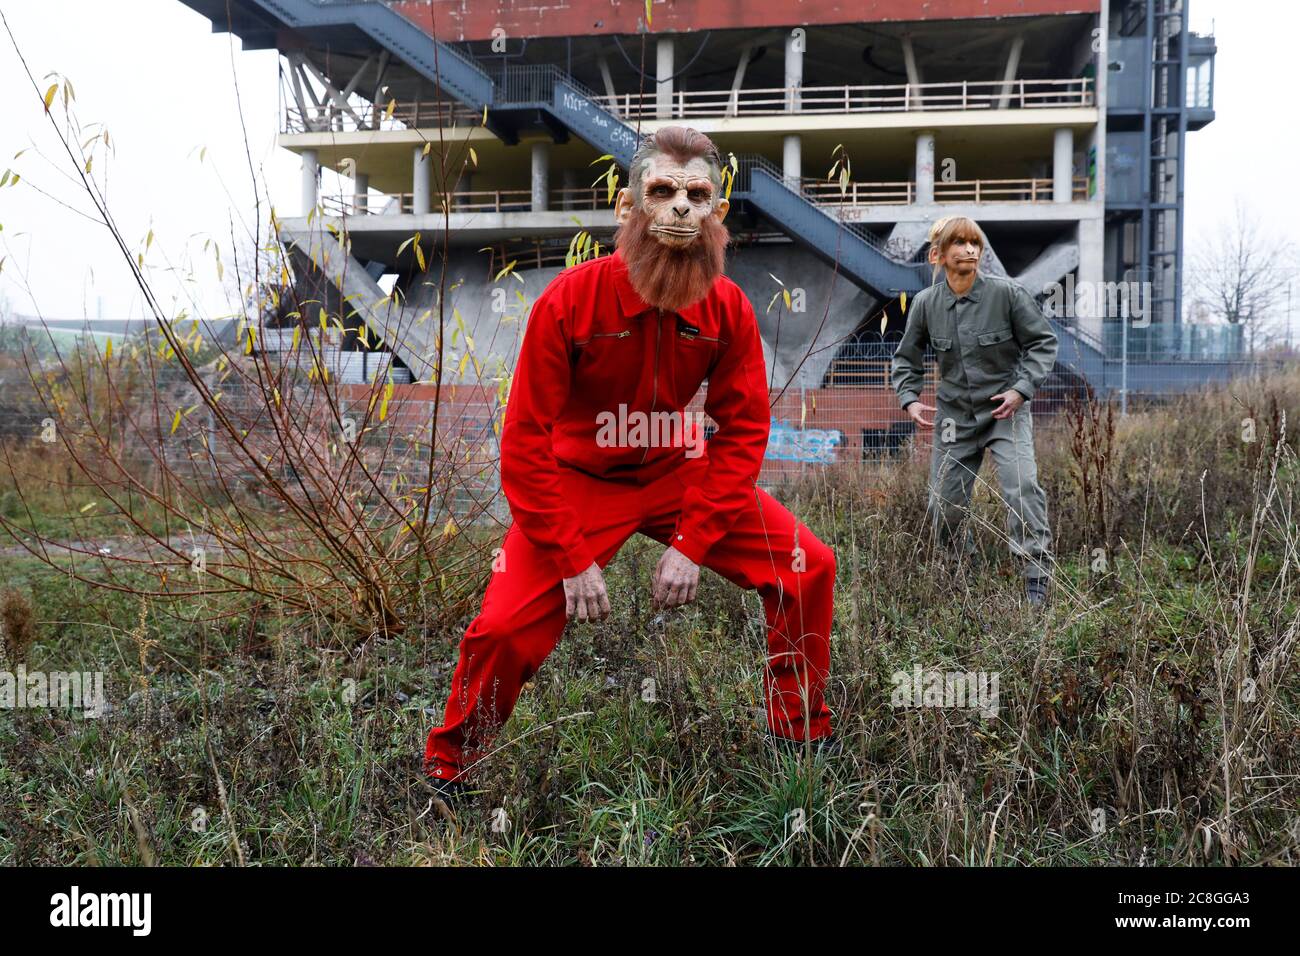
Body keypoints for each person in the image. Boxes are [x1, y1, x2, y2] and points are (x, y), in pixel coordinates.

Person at [423, 126, 837, 802]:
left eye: (696, 195)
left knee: (809, 566)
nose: (679, 207)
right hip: (579, 483)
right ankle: (450, 767)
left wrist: (694, 540)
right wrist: (568, 556)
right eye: (662, 191)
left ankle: (800, 735)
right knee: (502, 628)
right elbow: (524, 443)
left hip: (678, 477)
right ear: (628, 209)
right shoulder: (570, 301)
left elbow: (742, 432)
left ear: (718, 214)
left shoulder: (727, 307)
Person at [890, 216, 1058, 605]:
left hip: (1005, 412)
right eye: (960, 243)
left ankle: (1036, 577)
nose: (970, 250)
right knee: (942, 504)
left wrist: (1020, 390)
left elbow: (1043, 344)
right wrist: (910, 398)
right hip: (954, 420)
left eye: (975, 243)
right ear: (938, 255)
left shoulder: (1008, 295)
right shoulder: (926, 304)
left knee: (1022, 485)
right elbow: (906, 359)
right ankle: (958, 569)